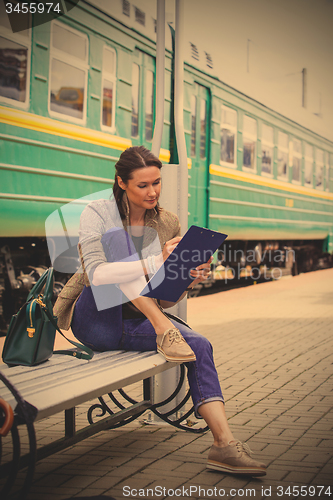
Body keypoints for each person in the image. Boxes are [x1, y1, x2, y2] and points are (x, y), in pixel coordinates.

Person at [54, 146, 267, 476]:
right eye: (143, 185)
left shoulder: (167, 222)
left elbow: (166, 299)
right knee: (119, 244)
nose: (152, 191)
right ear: (121, 183)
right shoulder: (98, 212)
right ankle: (163, 329)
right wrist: (155, 261)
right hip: (97, 318)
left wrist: (187, 277)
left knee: (200, 344)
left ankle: (224, 445)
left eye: (157, 183)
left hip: (141, 319)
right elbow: (96, 274)